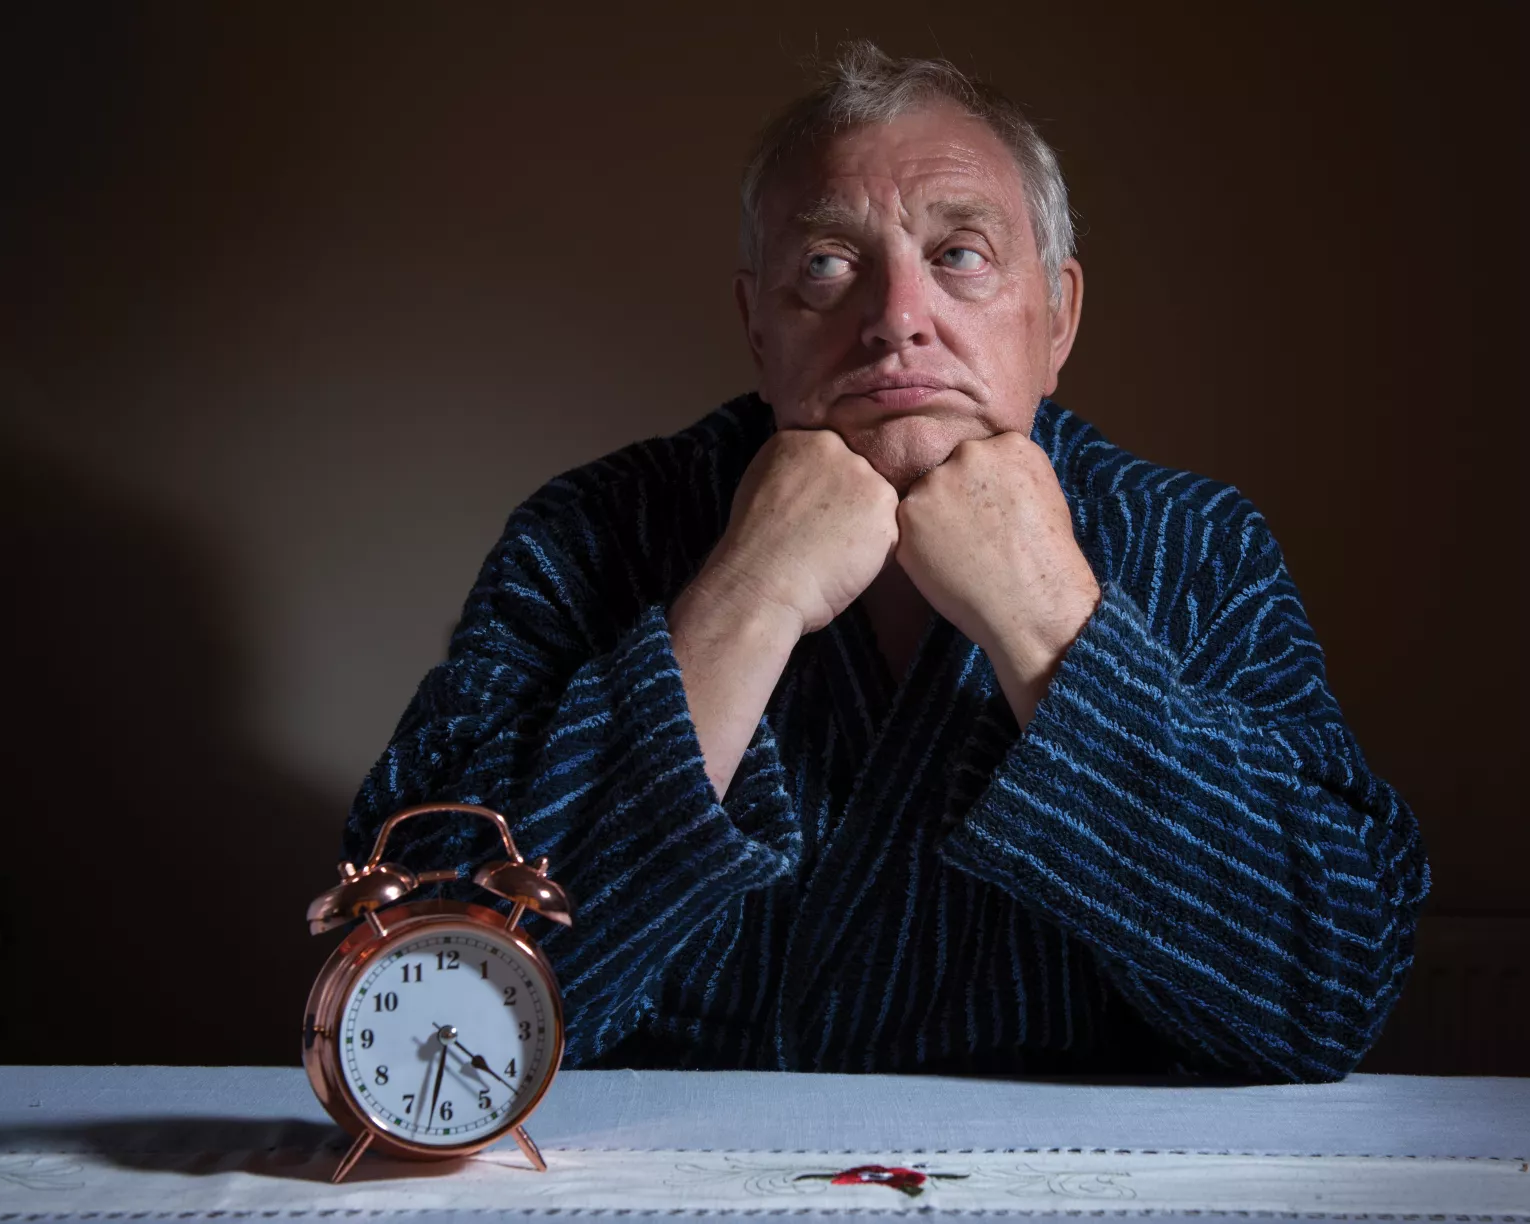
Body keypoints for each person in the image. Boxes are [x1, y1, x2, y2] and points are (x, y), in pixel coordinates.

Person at [342, 41, 1429, 1080]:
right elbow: (419, 978)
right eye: (827, 264)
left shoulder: (1196, 546)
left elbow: (1330, 993)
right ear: (759, 327)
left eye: (960, 254)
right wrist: (747, 598)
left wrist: (1049, 621)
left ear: (1057, 315)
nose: (897, 320)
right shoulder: (592, 532)